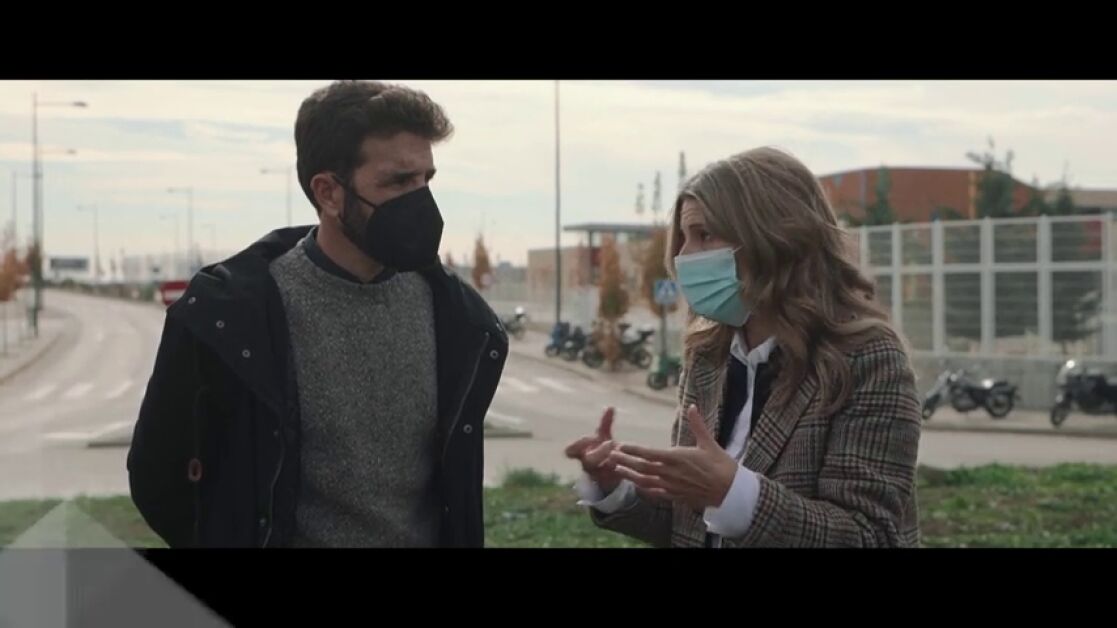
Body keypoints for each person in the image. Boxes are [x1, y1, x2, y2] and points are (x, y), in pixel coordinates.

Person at [129, 80, 507, 548]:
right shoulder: (229, 316)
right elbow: (159, 479)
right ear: (328, 193)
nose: (420, 200)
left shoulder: (458, 319)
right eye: (397, 182)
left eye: (425, 180)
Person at [565, 147, 921, 547]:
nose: (683, 256)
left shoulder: (867, 358)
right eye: (682, 238)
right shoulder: (709, 355)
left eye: (704, 235)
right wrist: (615, 487)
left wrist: (733, 494)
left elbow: (871, 535)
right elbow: (690, 523)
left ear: (771, 238)